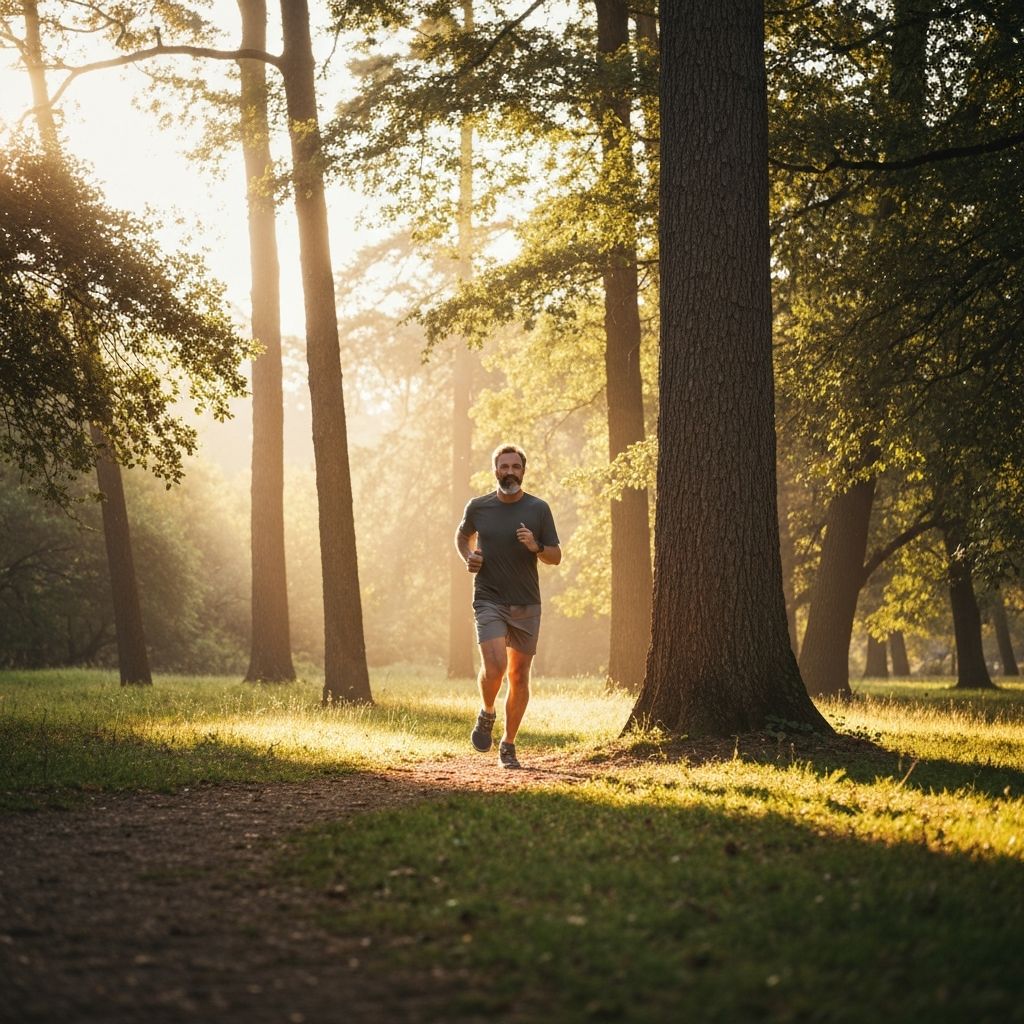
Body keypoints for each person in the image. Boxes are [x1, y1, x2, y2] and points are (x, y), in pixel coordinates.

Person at [455, 443, 562, 769]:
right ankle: (488, 711)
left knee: (519, 676)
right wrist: (469, 557)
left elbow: (555, 556)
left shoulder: (538, 508)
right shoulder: (479, 506)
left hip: (527, 603)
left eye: (515, 467)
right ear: (495, 470)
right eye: (504, 466)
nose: (510, 472)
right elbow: (462, 536)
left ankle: (508, 744)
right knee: (496, 665)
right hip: (489, 598)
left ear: (523, 471)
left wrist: (536, 546)